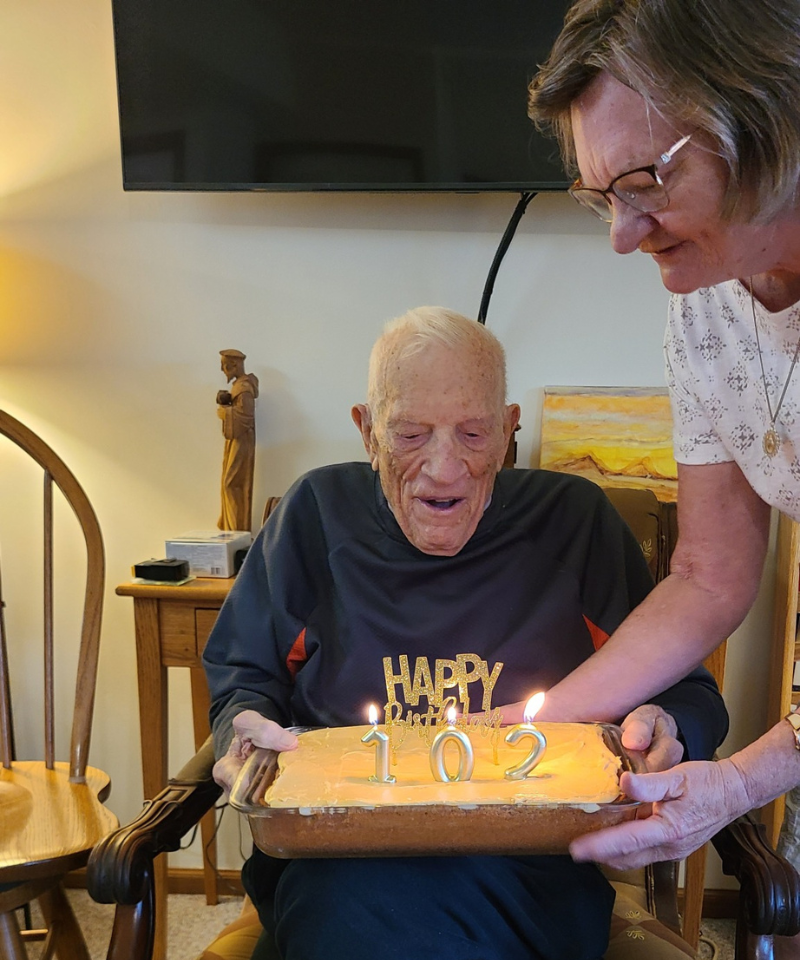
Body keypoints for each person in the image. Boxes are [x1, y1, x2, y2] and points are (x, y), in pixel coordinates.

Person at [203, 306, 727, 960]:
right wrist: (242, 731)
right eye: (411, 434)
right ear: (367, 431)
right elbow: (243, 683)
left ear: (509, 432)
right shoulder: (314, 520)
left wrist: (666, 727)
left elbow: (693, 698)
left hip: (527, 870)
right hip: (333, 860)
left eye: (474, 434)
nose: (444, 469)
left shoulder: (576, 525)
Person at [523, 0, 800, 879]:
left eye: (644, 184)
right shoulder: (705, 301)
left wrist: (742, 780)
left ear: (767, 120)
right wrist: (539, 722)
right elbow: (709, 574)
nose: (621, 234)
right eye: (603, 198)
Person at [217, 348, 259, 531]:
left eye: (224, 366)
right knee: (228, 483)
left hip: (242, 441)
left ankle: (236, 530)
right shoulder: (239, 386)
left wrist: (224, 412)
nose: (222, 370)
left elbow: (246, 417)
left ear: (233, 365)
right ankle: (231, 528)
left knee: (231, 484)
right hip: (236, 441)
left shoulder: (243, 388)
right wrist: (226, 403)